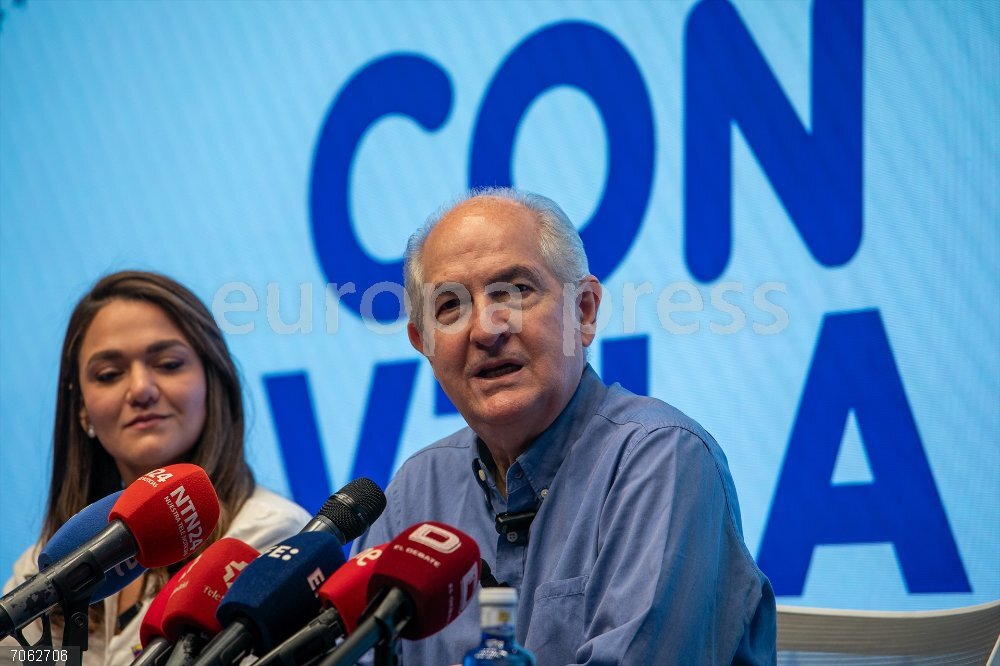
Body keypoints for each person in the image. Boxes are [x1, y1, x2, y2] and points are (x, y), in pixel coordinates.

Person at [353, 189, 776, 664]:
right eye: (450, 306)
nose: (485, 330)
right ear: (422, 341)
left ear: (584, 311)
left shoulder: (662, 460)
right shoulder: (416, 491)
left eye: (514, 292)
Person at [2, 271, 310, 666]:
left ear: (212, 384)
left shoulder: (268, 535)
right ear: (82, 409)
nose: (141, 389)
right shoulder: (46, 563)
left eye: (167, 363)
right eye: (109, 374)